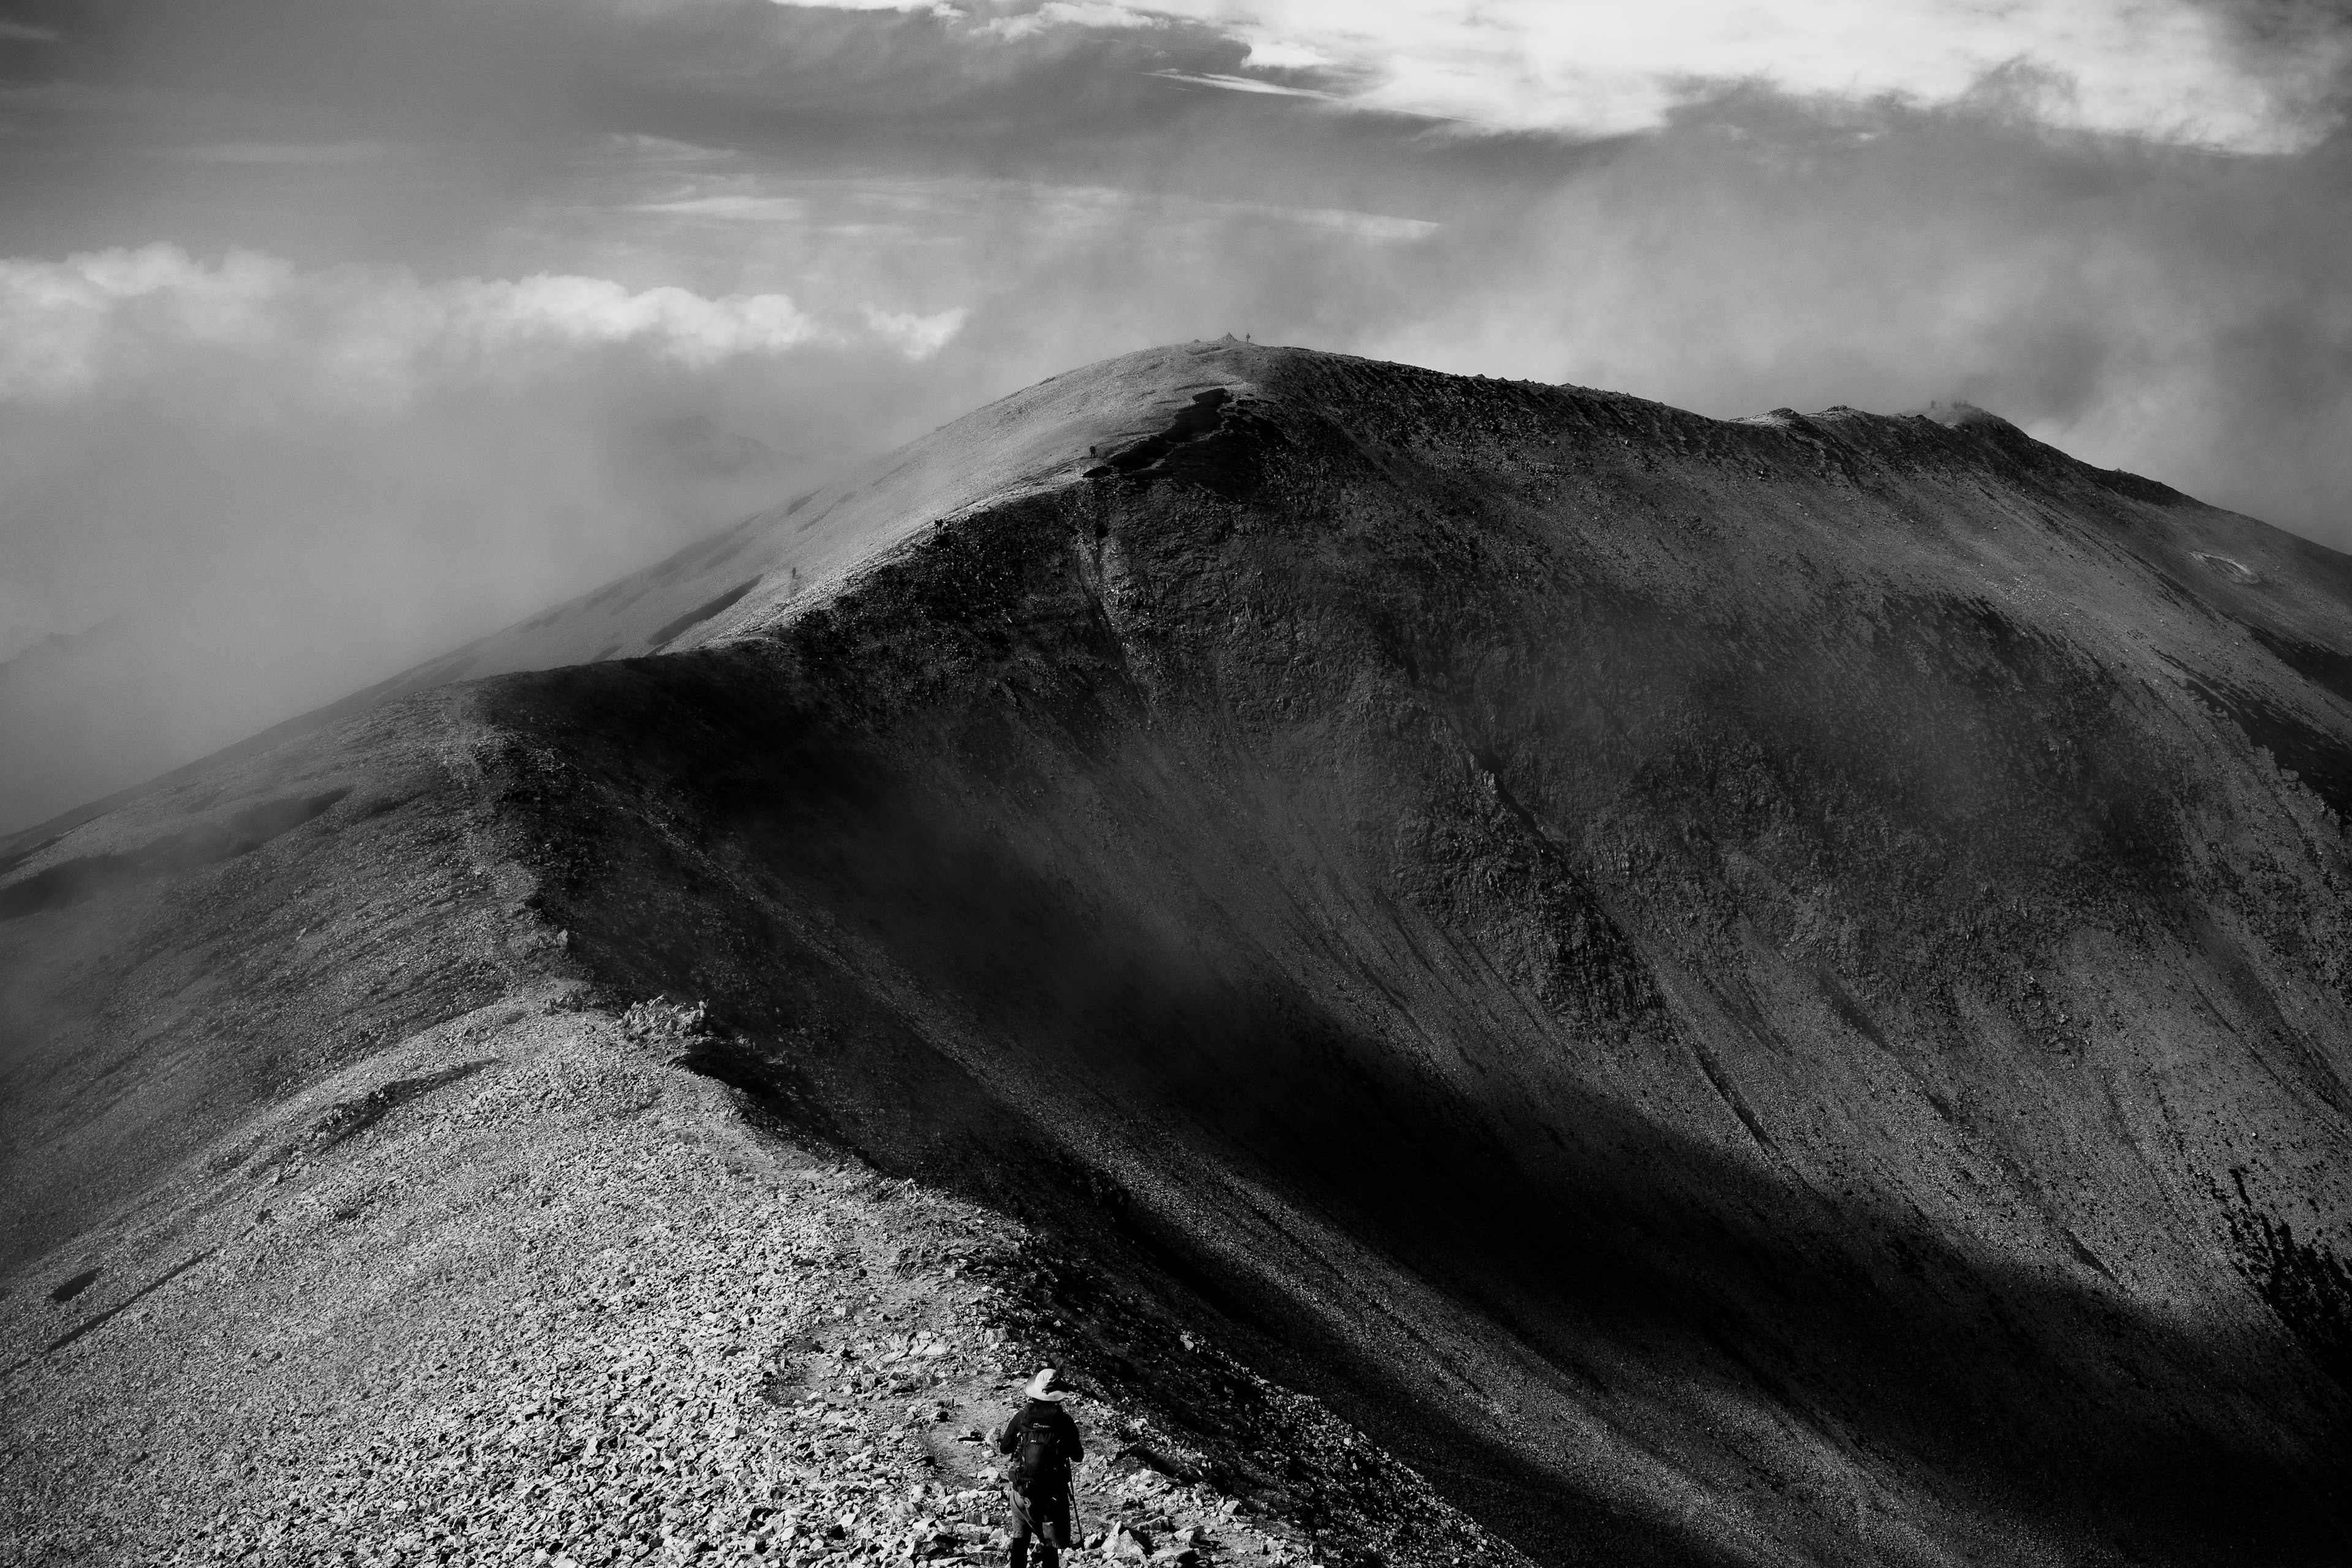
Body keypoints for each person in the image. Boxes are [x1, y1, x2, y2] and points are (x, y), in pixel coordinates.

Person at [997, 1366, 1084, 1568]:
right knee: (1049, 1546)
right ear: (1057, 1394)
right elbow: (1078, 1456)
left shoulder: (1022, 1417)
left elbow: (1004, 1448)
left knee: (1020, 1541)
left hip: (1021, 1493)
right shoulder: (1064, 1422)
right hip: (1051, 1498)